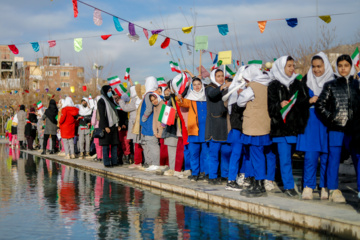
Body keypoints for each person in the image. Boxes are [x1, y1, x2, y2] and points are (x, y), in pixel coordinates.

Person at [316, 54, 360, 203]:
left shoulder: (357, 85)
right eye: (340, 66)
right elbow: (320, 106)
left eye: (346, 66)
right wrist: (333, 118)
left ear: (351, 67)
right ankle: (333, 189)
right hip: (336, 128)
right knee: (334, 159)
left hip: (354, 130)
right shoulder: (331, 85)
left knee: (358, 159)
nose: (343, 68)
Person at [268, 56, 309, 197]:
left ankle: (283, 180)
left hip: (295, 128)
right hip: (280, 128)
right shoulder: (274, 85)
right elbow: (270, 107)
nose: (292, 69)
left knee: (290, 158)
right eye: (289, 66)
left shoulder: (297, 84)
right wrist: (279, 105)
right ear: (281, 67)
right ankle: (288, 186)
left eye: (293, 66)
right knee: (285, 159)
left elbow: (303, 103)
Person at [296, 52, 334, 200]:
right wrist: (309, 101)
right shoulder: (305, 82)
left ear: (325, 65)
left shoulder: (333, 81)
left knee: (326, 156)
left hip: (326, 123)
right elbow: (298, 103)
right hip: (311, 122)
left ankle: (324, 186)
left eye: (319, 66)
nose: (317, 70)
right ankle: (308, 186)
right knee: (310, 157)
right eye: (314, 67)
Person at [237, 65, 273, 197]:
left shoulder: (252, 88)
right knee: (255, 155)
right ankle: (255, 182)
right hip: (262, 125)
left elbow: (241, 102)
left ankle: (259, 184)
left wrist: (241, 93)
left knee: (256, 156)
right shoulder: (265, 85)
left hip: (254, 126)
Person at [177, 77, 207, 181]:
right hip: (194, 129)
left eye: (199, 84)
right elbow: (182, 103)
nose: (197, 86)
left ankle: (204, 172)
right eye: (194, 84)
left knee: (205, 154)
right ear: (192, 86)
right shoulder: (190, 98)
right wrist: (179, 98)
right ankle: (195, 173)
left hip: (205, 130)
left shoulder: (206, 96)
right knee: (194, 153)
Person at [205, 69, 231, 185]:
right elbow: (212, 94)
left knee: (226, 152)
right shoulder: (210, 87)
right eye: (218, 76)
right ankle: (212, 176)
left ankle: (225, 175)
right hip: (214, 125)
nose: (221, 78)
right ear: (213, 77)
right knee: (214, 153)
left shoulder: (226, 89)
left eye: (222, 76)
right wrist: (222, 87)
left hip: (225, 125)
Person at [140, 76, 160, 171]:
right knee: (151, 145)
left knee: (152, 144)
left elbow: (149, 108)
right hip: (151, 123)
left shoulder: (149, 95)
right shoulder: (155, 94)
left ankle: (155, 164)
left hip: (149, 124)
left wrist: (143, 118)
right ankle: (153, 163)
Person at [97, 85, 121, 167]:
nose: (110, 92)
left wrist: (118, 124)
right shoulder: (101, 101)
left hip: (114, 125)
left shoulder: (111, 100)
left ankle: (114, 161)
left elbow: (115, 113)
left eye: (111, 90)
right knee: (106, 145)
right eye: (108, 90)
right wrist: (105, 126)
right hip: (106, 126)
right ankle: (106, 162)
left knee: (114, 144)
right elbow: (102, 115)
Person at [91, 96, 103, 162]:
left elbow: (93, 121)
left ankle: (99, 157)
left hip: (97, 128)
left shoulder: (95, 110)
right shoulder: (104, 108)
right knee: (103, 144)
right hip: (103, 127)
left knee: (97, 144)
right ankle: (103, 156)